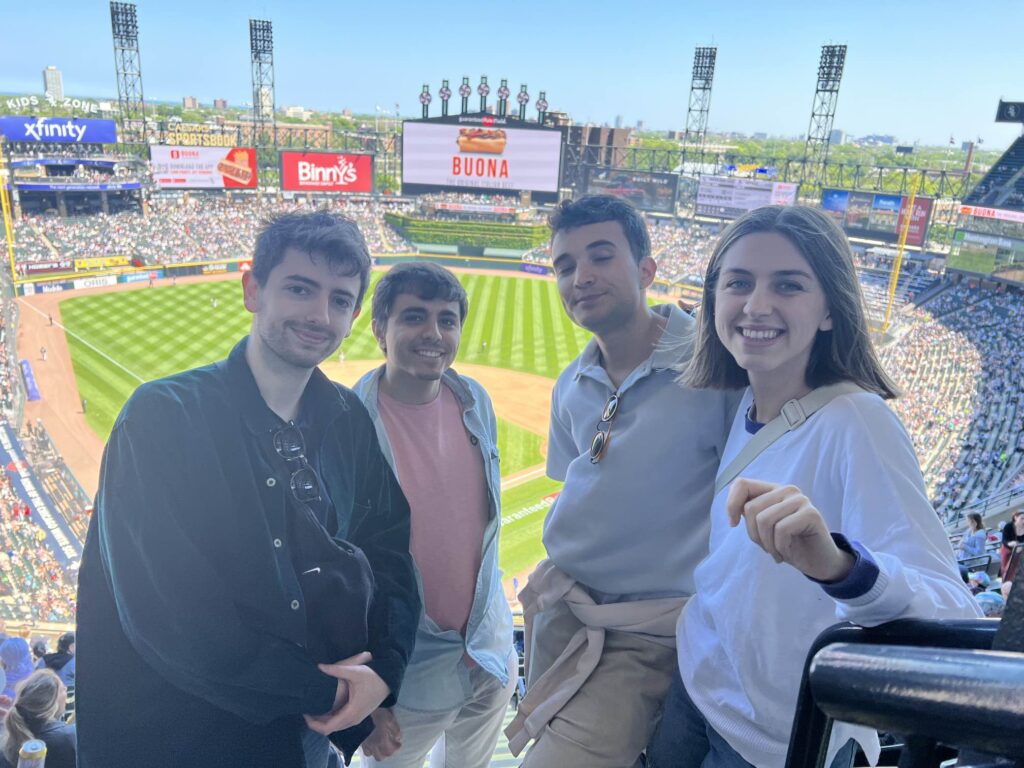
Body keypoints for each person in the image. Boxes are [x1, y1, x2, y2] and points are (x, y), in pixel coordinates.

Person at [76, 210, 421, 768]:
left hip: (304, 736)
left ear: (355, 315)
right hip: (183, 739)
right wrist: (334, 695)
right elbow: (170, 617)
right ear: (252, 289)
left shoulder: (347, 418)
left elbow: (388, 550)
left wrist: (383, 673)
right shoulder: (162, 418)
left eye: (339, 299)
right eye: (300, 289)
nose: (319, 314)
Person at [647, 205, 981, 768]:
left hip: (776, 739)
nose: (756, 305)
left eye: (788, 285)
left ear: (829, 310)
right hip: (696, 687)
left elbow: (957, 615)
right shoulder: (748, 400)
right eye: (738, 283)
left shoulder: (860, 421)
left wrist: (840, 565)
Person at [506, 195, 738, 768]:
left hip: (645, 633)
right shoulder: (571, 383)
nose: (580, 277)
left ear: (646, 270)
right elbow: (576, 487)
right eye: (565, 265)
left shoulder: (719, 371)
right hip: (563, 610)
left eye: (601, 256)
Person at [354, 263, 516, 768]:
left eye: (447, 320)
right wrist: (372, 703)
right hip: (408, 678)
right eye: (415, 317)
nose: (434, 334)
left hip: (490, 656)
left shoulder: (474, 401)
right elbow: (341, 573)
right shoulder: (347, 424)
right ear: (380, 329)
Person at [0, 670, 76, 768]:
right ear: (52, 700)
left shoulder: (6, 746)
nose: (66, 690)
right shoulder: (70, 738)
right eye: (62, 689)